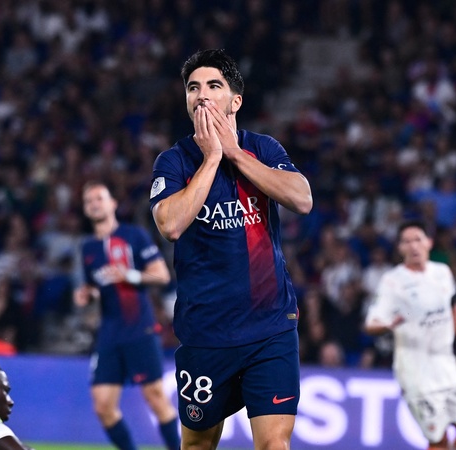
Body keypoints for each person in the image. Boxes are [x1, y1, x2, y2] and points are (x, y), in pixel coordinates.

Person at [149, 49, 313, 449]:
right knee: (198, 445)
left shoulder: (263, 148)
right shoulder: (174, 161)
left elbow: (302, 199)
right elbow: (170, 225)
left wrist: (235, 154)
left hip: (270, 328)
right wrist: (212, 159)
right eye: (193, 88)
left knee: (274, 444)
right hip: (207, 333)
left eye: (213, 86)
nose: (202, 95)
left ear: (235, 101)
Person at [73, 182, 180, 450]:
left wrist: (128, 274)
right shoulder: (88, 248)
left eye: (99, 198)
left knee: (155, 397)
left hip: (139, 328)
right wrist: (87, 294)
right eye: (89, 201)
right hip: (109, 332)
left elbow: (162, 275)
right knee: (103, 405)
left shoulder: (134, 235)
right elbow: (97, 287)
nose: (94, 204)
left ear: (113, 204)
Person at [364, 220, 456, 450]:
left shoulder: (442, 272)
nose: (413, 246)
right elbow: (372, 323)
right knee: (438, 439)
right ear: (400, 248)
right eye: (406, 241)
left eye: (418, 239)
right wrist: (388, 325)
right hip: (415, 370)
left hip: (446, 365)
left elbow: (454, 310)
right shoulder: (393, 281)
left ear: (429, 242)